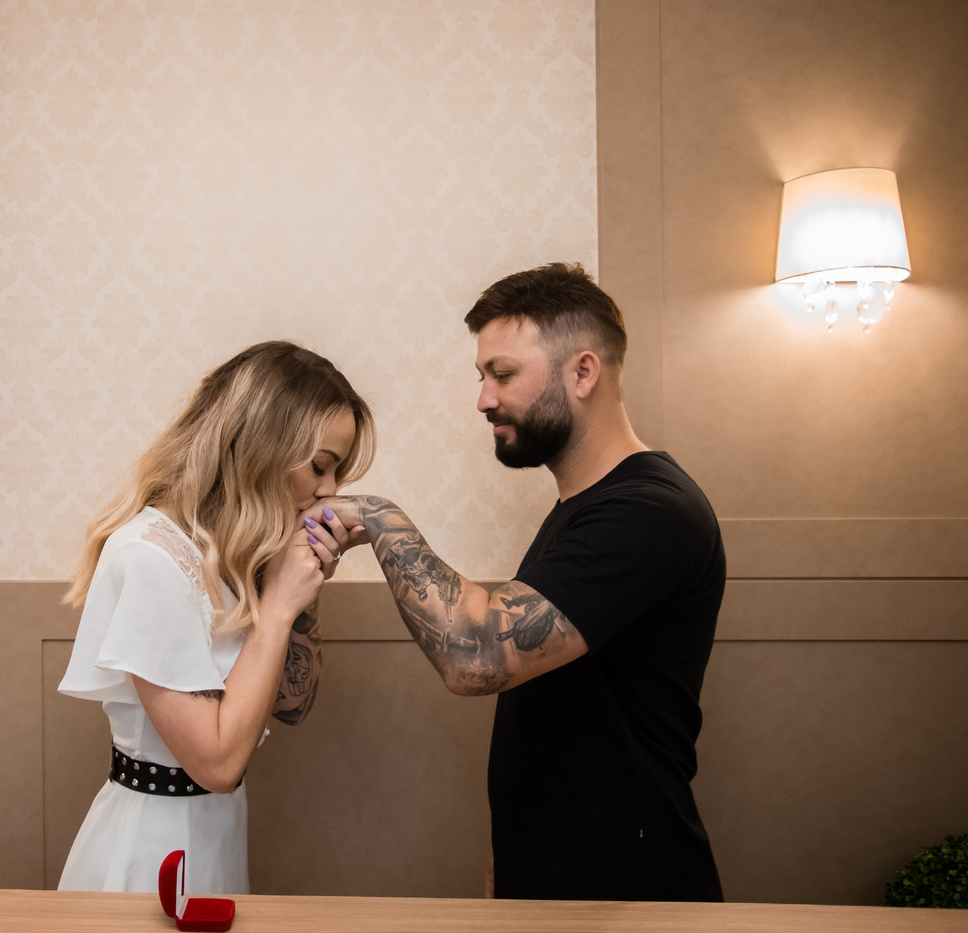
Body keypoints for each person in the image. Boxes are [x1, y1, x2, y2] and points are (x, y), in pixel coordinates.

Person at [303, 263, 725, 901]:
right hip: (558, 886)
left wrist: (381, 517)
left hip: (629, 897)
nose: (483, 399)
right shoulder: (587, 510)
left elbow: (473, 655)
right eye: (482, 376)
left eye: (502, 374)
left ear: (583, 372)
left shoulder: (647, 514)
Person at [56, 341, 376, 895]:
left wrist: (300, 583)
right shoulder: (150, 556)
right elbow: (219, 765)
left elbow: (292, 705)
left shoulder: (231, 557)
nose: (329, 490)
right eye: (320, 466)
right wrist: (277, 606)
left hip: (216, 838)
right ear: (260, 447)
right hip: (153, 852)